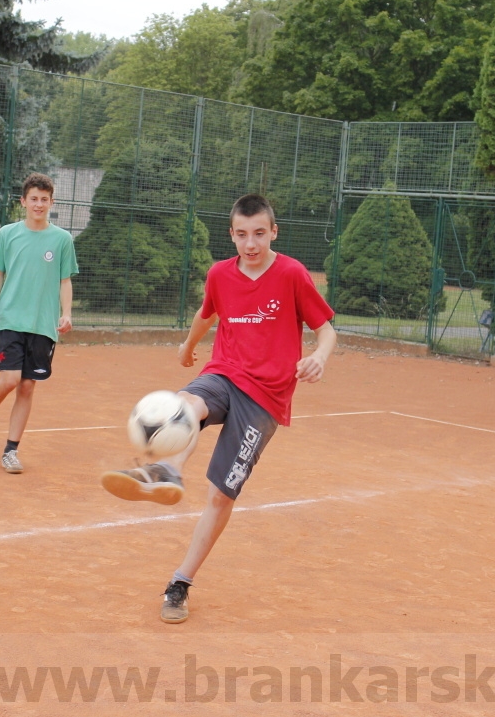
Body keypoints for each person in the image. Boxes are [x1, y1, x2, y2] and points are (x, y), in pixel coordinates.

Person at [101, 193, 336, 623]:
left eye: (259, 234)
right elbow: (206, 314)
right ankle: (166, 469)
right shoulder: (220, 274)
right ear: (231, 234)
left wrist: (319, 356)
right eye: (242, 235)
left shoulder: (292, 274)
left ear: (273, 232)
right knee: (186, 402)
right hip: (225, 372)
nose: (250, 244)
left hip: (266, 398)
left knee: (221, 496)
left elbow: (326, 330)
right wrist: (188, 346)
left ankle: (181, 583)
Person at [0, 172, 78, 474]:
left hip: (42, 325)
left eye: (45, 199)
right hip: (9, 319)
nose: (39, 204)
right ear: (23, 201)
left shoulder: (62, 239)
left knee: (27, 387)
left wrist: (66, 312)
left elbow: (64, 279)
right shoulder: (8, 233)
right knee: (10, 378)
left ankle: (10, 451)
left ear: (51, 202)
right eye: (34, 199)